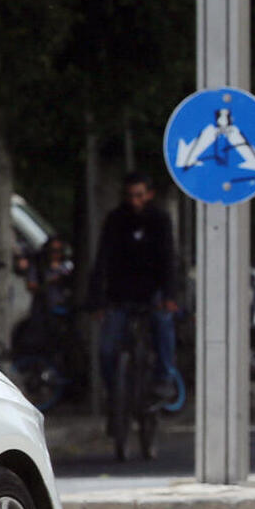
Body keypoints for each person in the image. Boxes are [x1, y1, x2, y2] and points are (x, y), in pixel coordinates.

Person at [90, 172, 181, 405]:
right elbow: (103, 259)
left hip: (153, 292)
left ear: (149, 195)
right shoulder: (115, 219)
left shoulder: (160, 219)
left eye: (139, 196)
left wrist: (169, 295)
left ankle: (164, 378)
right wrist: (98, 300)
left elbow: (168, 259)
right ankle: (115, 392)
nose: (134, 201)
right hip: (120, 293)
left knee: (163, 325)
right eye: (130, 196)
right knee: (107, 349)